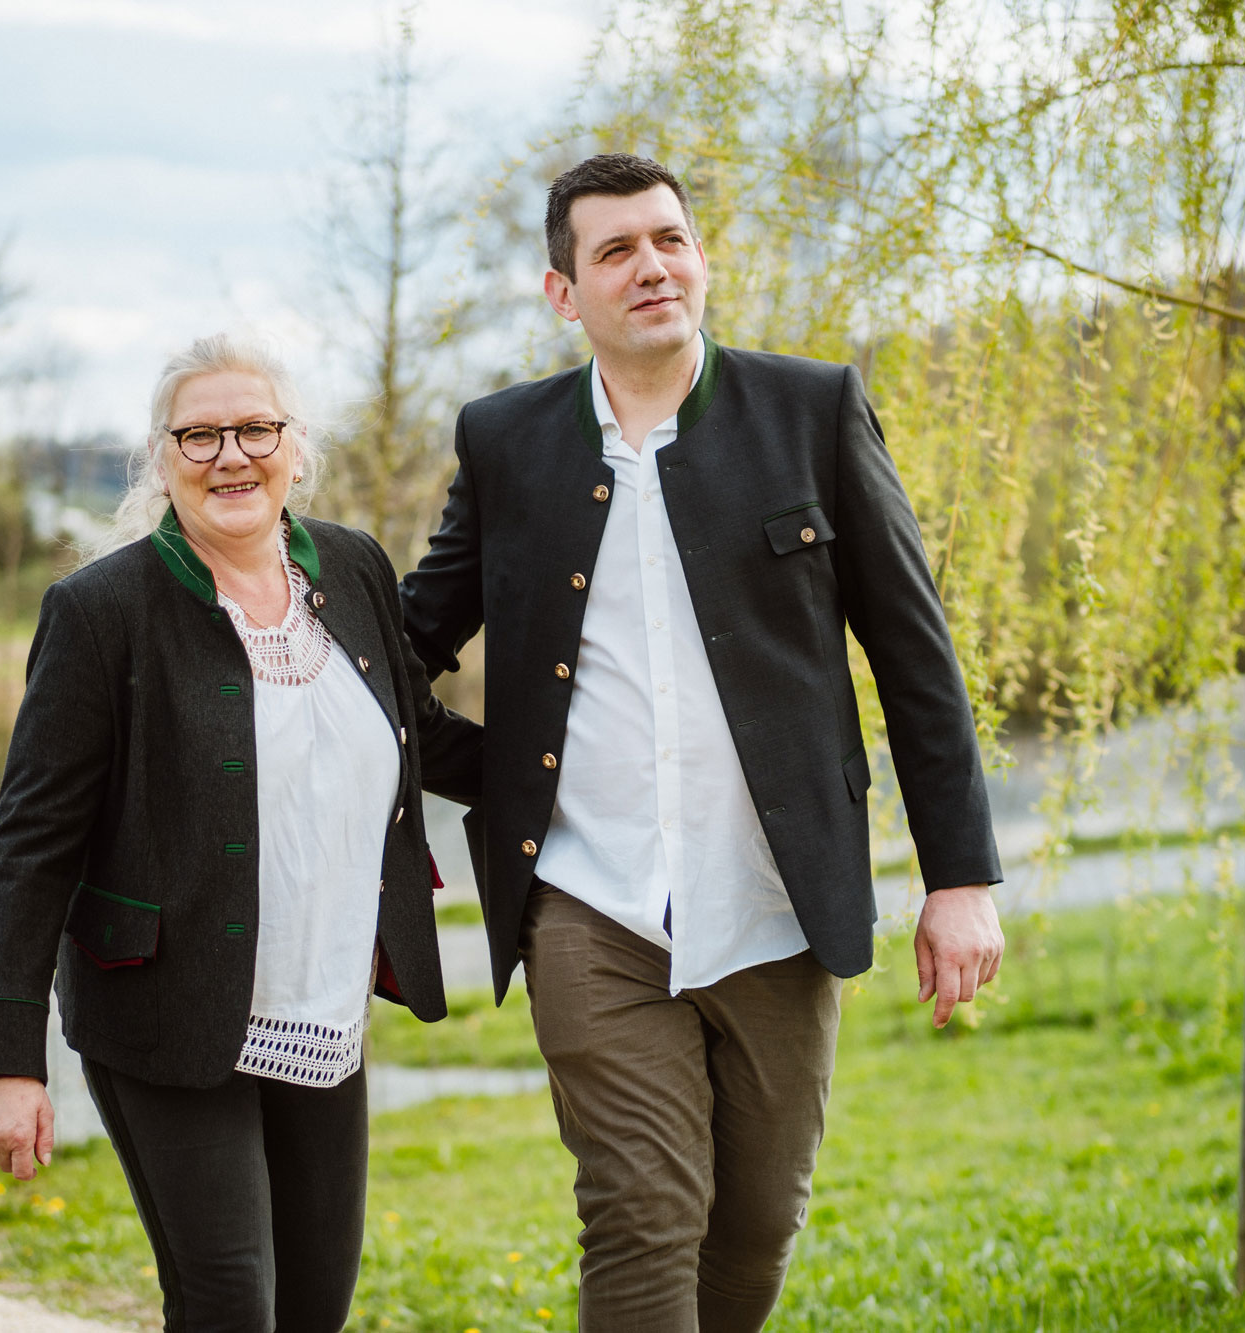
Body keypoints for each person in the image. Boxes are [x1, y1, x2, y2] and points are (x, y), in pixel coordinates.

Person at [399, 154, 1006, 1330]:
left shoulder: (810, 410)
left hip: (775, 901)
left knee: (756, 1221)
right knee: (638, 1212)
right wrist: (508, 778)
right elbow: (405, 647)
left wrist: (960, 877)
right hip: (588, 903)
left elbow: (914, 656)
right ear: (563, 292)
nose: (651, 266)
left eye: (668, 239)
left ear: (700, 259)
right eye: (615, 250)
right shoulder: (505, 441)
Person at [0, 334, 480, 1332]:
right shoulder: (100, 610)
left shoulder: (354, 569)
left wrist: (567, 777)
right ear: (162, 460)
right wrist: (3, 1057)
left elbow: (417, 732)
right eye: (199, 435)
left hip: (321, 1000)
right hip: (166, 1011)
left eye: (255, 429)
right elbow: (32, 845)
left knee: (316, 1305)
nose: (230, 455)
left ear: (297, 447)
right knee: (230, 1302)